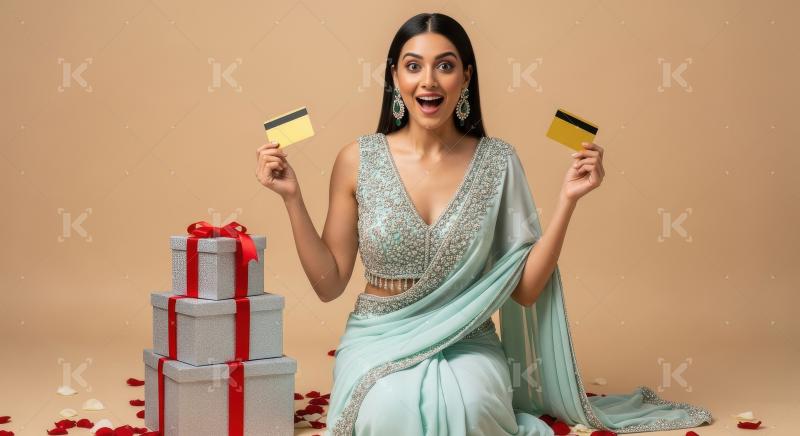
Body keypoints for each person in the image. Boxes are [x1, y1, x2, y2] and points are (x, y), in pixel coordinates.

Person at [255, 12, 714, 436]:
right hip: (380, 336)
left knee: (473, 407)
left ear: (467, 76)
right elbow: (328, 283)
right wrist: (292, 198)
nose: (428, 81)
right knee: (389, 409)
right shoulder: (357, 160)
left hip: (468, 338)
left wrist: (568, 201)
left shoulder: (498, 161)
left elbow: (526, 290)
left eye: (445, 65)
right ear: (394, 76)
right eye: (413, 66)